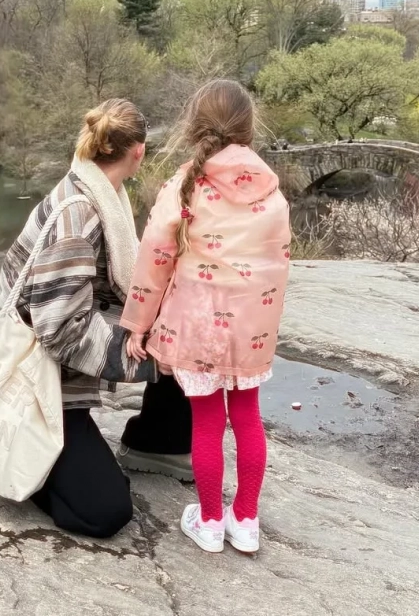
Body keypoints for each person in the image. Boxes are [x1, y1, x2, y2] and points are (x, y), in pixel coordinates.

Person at [0, 99, 191, 539]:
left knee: (182, 334)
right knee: (107, 511)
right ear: (139, 152)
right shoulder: (77, 216)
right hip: (36, 378)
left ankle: (156, 444)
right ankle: (20, 458)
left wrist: (162, 330)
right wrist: (137, 354)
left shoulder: (103, 191)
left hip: (58, 349)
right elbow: (58, 331)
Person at [122, 80, 291, 554]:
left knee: (207, 421)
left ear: (196, 125)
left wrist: (138, 322)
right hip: (250, 328)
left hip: (197, 325)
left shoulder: (186, 184)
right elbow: (277, 262)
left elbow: (155, 256)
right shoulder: (271, 190)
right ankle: (247, 520)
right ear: (249, 127)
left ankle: (211, 521)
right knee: (248, 416)